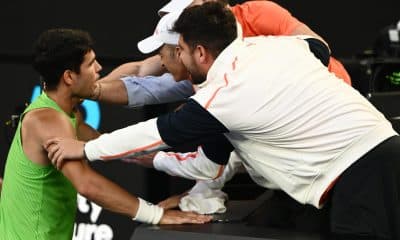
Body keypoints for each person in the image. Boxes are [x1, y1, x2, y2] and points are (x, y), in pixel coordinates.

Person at [45, 3, 400, 239]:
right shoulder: (275, 48)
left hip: (361, 169)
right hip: (379, 149)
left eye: (179, 51)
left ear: (199, 52)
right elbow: (316, 46)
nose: (172, 62)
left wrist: (89, 147)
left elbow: (156, 132)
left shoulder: (224, 96)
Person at [0, 28, 211, 240]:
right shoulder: (48, 120)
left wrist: (147, 158)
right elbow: (87, 184)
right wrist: (157, 215)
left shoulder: (65, 110)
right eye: (91, 64)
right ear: (69, 77)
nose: (99, 68)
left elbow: (100, 142)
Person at [95, 0, 350, 109]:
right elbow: (140, 72)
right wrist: (89, 91)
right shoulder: (194, 53)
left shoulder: (258, 14)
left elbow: (318, 48)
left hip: (321, 88)